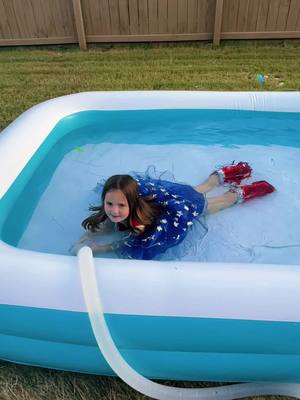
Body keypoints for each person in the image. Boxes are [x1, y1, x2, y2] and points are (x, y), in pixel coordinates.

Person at [71, 162, 275, 260]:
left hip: (178, 211)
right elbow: (108, 221)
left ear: (133, 203)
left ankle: (241, 193)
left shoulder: (139, 224)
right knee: (199, 189)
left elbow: (128, 245)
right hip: (172, 194)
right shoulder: (120, 199)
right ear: (105, 200)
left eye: (121, 206)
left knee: (214, 203)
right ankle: (223, 175)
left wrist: (101, 249)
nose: (114, 210)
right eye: (110, 204)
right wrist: (89, 234)